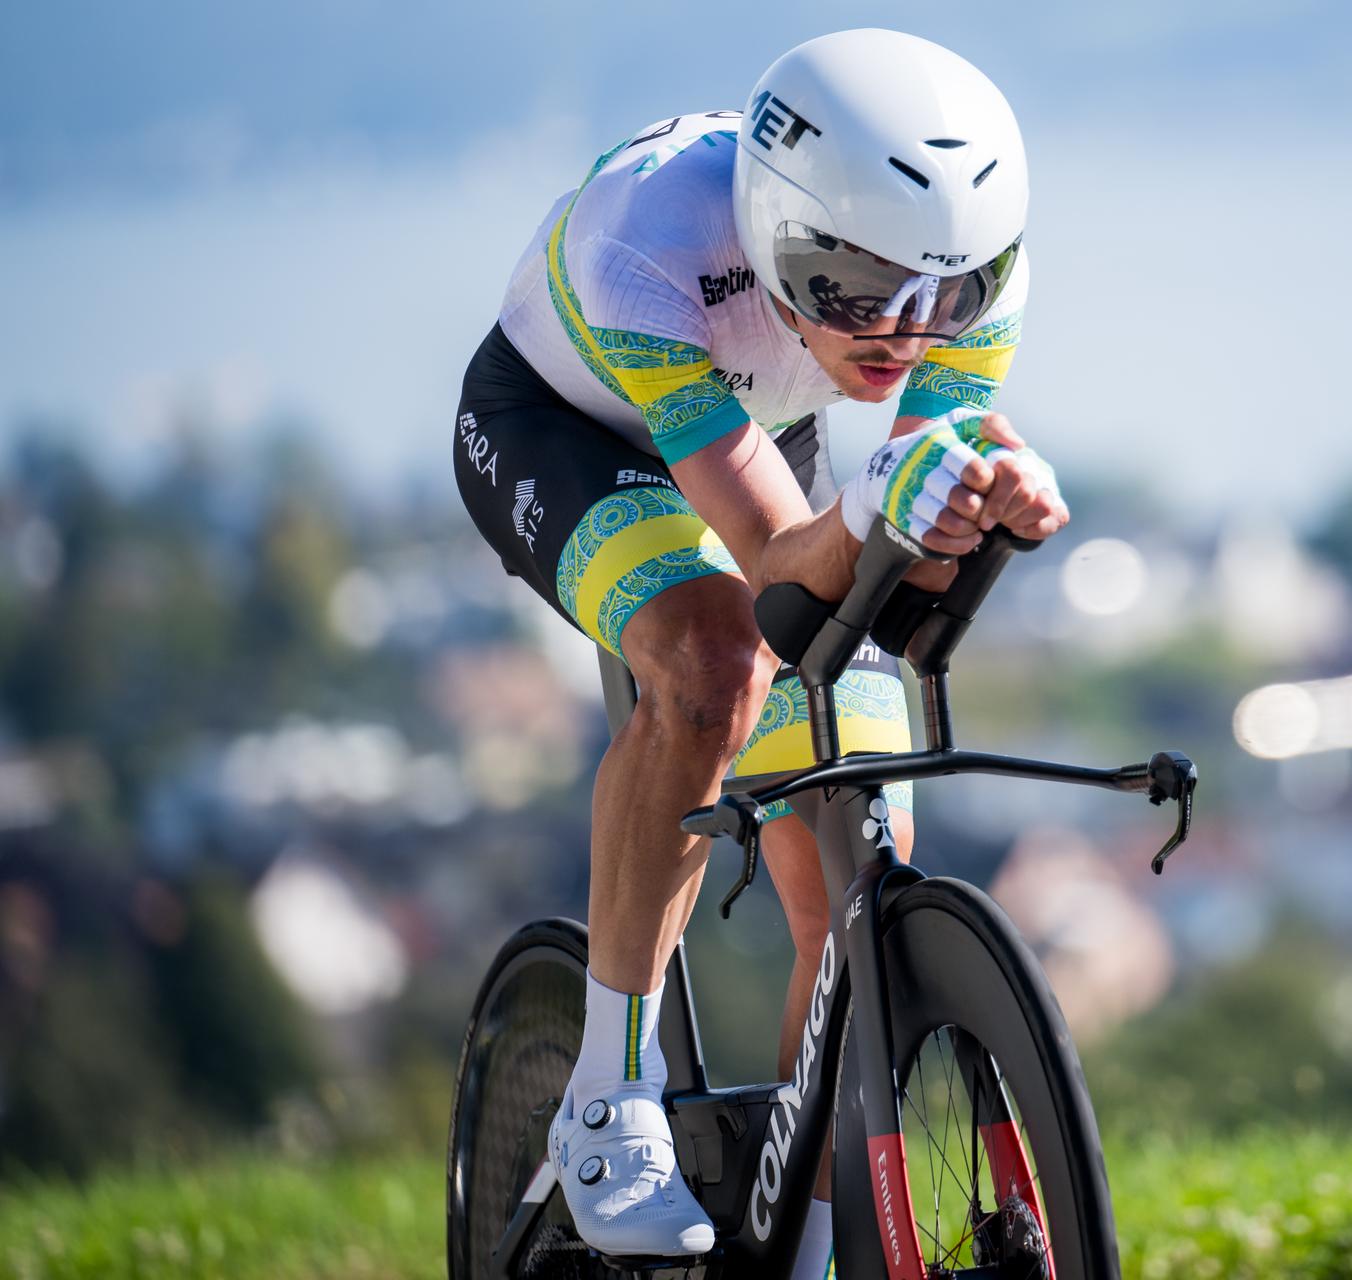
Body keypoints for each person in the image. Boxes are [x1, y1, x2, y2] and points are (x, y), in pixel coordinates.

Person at [451, 28, 1069, 1270]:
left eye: (944, 297)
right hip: (568, 429)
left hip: (752, 429)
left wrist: (983, 505)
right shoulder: (647, 242)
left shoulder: (970, 270)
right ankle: (607, 1096)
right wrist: (881, 504)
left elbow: (897, 558)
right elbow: (782, 560)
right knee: (714, 662)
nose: (905, 334)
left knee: (858, 853)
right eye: (855, 287)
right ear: (780, 232)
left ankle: (807, 1240)